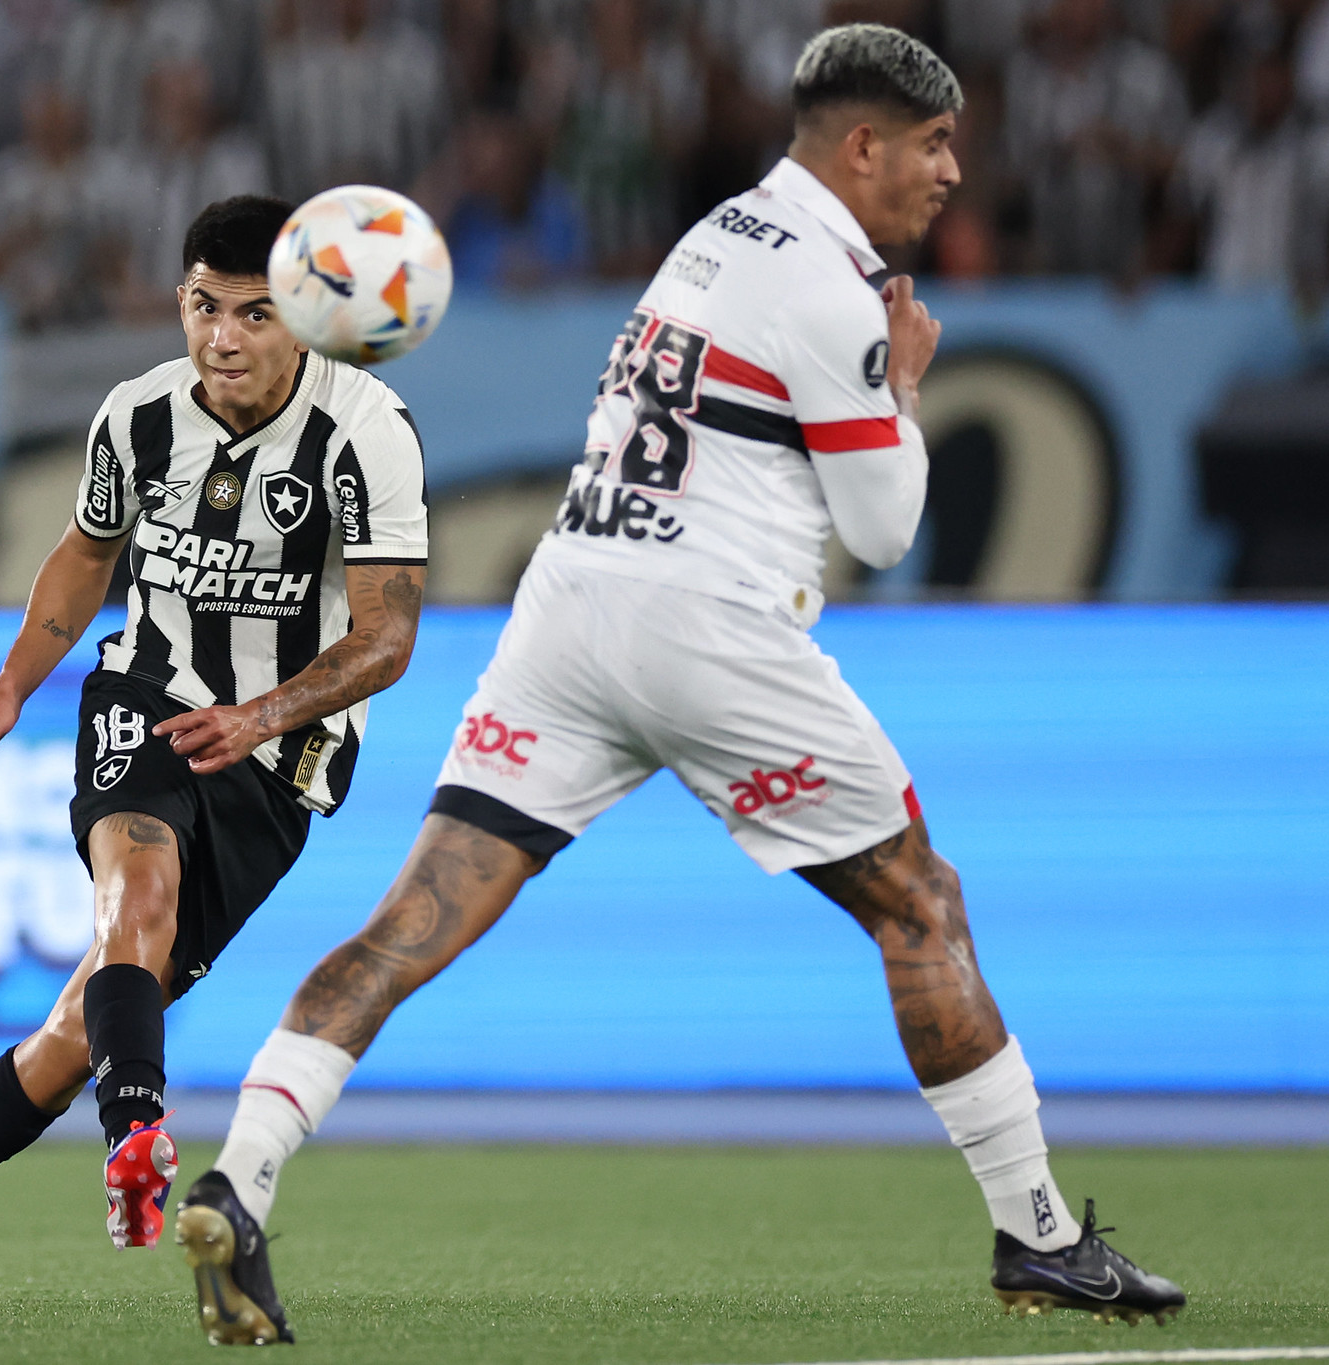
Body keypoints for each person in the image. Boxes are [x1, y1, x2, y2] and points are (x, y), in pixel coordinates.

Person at [177, 25, 1186, 1346]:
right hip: (708, 626)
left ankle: (239, 1179)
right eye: (935, 146)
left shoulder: (718, 234)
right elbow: (883, 530)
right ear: (864, 145)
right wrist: (908, 387)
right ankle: (1039, 1234)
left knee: (411, 922)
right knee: (919, 903)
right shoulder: (836, 291)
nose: (951, 173)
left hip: (569, 606)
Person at [0, 194, 431, 1307]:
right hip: (146, 688)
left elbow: (387, 636)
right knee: (135, 885)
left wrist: (260, 716)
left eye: (255, 314)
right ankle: (138, 1140)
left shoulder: (365, 429)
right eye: (202, 306)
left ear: (307, 317)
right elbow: (86, 558)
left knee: (81, 1024)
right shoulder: (136, 416)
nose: (222, 337)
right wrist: (7, 691)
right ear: (178, 302)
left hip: (276, 761)